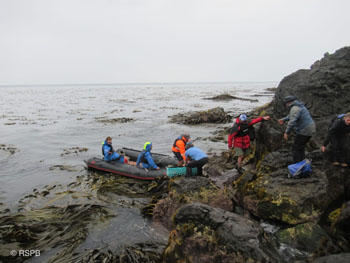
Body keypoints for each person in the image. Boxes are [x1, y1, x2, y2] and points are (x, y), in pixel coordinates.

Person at [278, 95, 316, 163]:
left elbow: (292, 121)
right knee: (301, 146)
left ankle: (297, 165)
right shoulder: (299, 106)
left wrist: (286, 132)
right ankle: (302, 162)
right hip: (310, 128)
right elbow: (292, 115)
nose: (286, 105)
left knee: (296, 148)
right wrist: (284, 119)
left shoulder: (295, 108)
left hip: (305, 130)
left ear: (289, 102)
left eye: (286, 103)